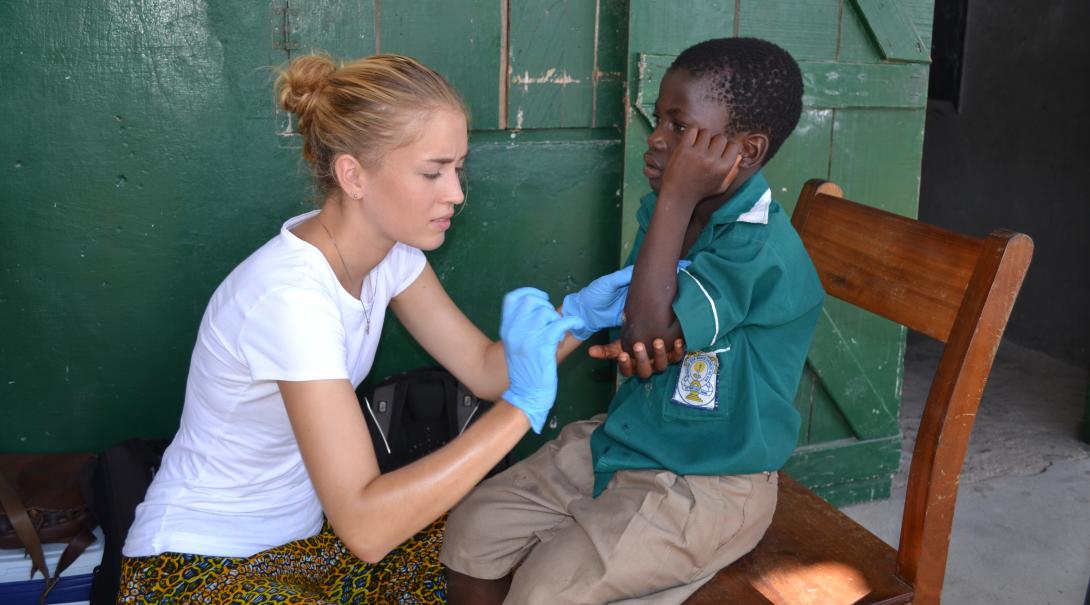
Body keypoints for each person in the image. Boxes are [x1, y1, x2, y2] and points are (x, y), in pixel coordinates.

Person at [116, 52, 633, 604]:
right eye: (433, 171)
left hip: (305, 548)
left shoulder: (391, 256)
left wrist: (578, 319)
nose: (455, 192)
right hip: (200, 565)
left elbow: (485, 370)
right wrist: (520, 411)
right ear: (352, 175)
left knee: (492, 550)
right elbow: (367, 527)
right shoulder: (290, 298)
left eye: (458, 168)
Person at [442, 37, 825, 604]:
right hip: (625, 440)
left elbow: (647, 336)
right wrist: (670, 212)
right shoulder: (666, 210)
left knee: (545, 591)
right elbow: (636, 333)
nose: (656, 139)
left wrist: (675, 197)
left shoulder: (758, 250)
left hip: (710, 482)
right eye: (659, 121)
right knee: (473, 529)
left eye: (678, 126)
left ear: (744, 150)